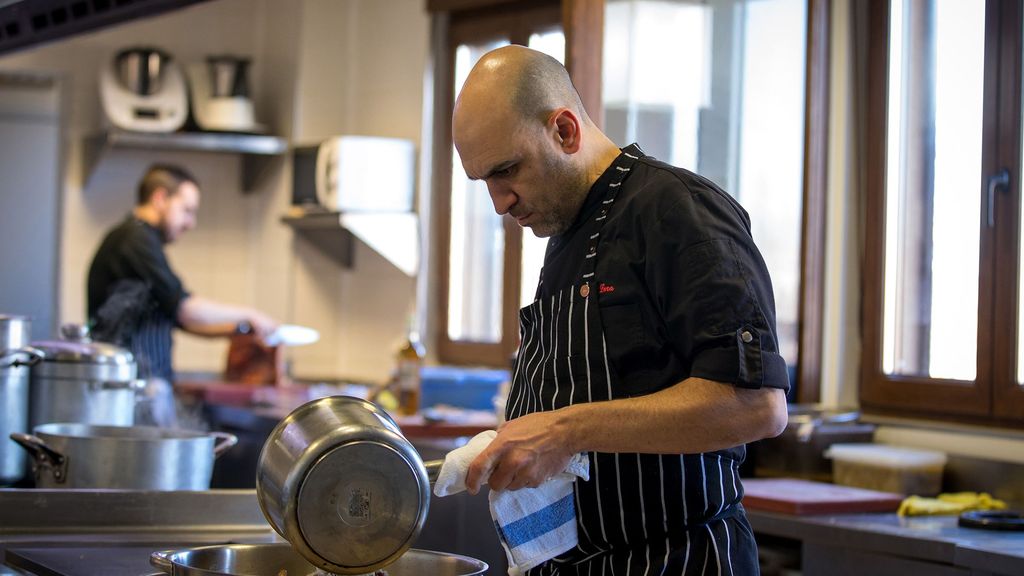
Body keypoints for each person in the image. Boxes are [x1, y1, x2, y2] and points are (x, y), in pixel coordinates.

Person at [453, 46, 789, 575]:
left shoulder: (678, 210)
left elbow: (757, 406)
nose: (500, 202)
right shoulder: (568, 232)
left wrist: (562, 430)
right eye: (486, 183)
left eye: (507, 171)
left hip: (676, 562)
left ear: (564, 130)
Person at [87, 164, 278, 426]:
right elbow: (185, 308)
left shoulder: (138, 241)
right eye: (187, 211)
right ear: (160, 198)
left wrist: (241, 330)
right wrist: (251, 314)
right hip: (136, 390)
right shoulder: (134, 239)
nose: (191, 223)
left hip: (142, 389)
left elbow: (181, 319)